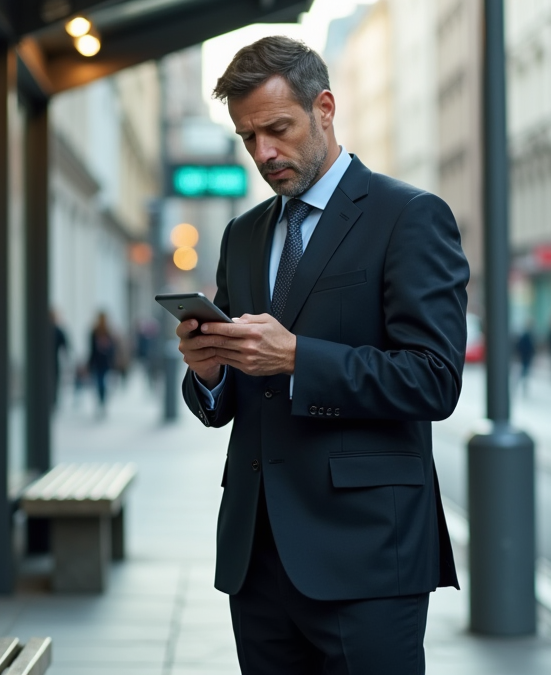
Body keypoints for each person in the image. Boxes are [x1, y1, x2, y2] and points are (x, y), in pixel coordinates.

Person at [176, 36, 468, 674]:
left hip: (365, 556)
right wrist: (208, 372)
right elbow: (227, 395)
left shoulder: (409, 216)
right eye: (248, 137)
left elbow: (436, 380)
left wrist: (297, 358)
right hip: (257, 555)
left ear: (325, 108)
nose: (264, 153)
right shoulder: (244, 233)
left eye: (277, 129)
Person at [87, 312, 117, 415]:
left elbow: (112, 348)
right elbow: (91, 349)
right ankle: (101, 401)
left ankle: (102, 401)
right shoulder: (94, 332)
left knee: (102, 382)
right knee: (99, 382)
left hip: (105, 362)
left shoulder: (108, 332)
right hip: (98, 362)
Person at [50, 308, 68, 413]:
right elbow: (65, 346)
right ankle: (53, 400)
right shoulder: (56, 330)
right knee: (54, 381)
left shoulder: (57, 330)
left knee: (55, 381)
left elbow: (65, 345)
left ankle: (53, 400)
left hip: (53, 360)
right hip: (53, 361)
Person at [516, 324, 536, 396]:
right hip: (525, 357)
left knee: (524, 372)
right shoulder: (526, 336)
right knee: (523, 372)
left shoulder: (529, 336)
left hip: (527, 357)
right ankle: (520, 384)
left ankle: (522, 385)